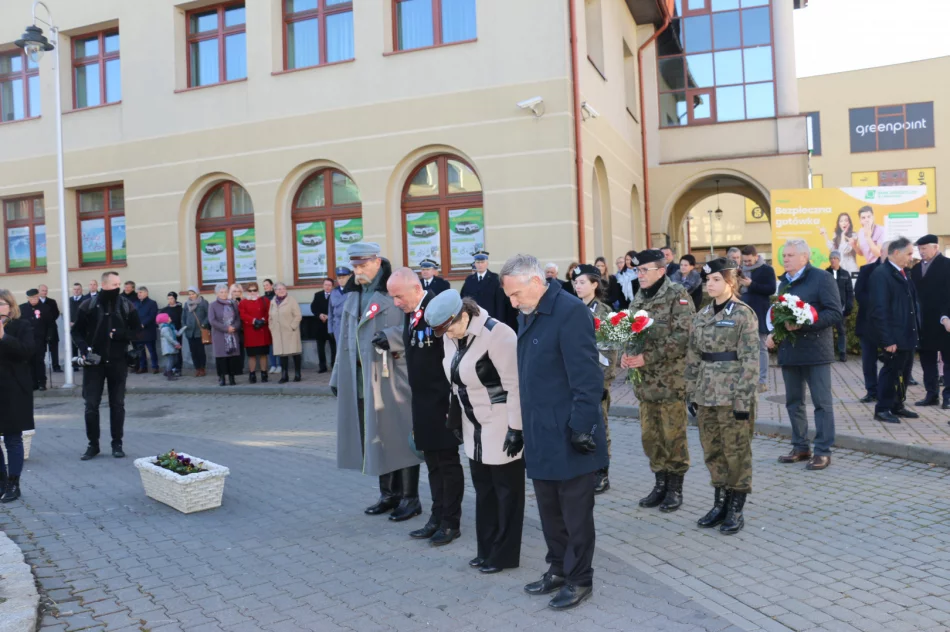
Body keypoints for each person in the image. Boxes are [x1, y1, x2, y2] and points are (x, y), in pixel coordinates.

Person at [500, 254, 605, 610]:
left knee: (575, 515)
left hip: (570, 433)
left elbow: (588, 377)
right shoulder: (529, 311)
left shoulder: (570, 311)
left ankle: (580, 579)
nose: (512, 302)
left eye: (515, 294)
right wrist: (519, 427)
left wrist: (581, 427)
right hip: (539, 431)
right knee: (549, 511)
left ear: (535, 282)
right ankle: (558, 568)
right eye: (509, 296)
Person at [427, 290, 525, 572]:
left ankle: (504, 556)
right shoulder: (450, 335)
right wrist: (455, 418)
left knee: (507, 493)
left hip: (502, 422)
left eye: (450, 328)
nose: (448, 335)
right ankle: (486, 550)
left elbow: (515, 385)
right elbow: (454, 382)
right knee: (484, 491)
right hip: (473, 424)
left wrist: (516, 428)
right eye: (443, 331)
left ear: (463, 315)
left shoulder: (498, 334)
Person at [330, 243, 423, 522]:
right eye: (355, 266)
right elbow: (343, 339)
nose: (357, 271)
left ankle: (410, 498)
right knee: (375, 435)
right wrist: (337, 375)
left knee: (400, 436)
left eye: (363, 265)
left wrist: (392, 338)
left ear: (377, 262)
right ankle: (389, 495)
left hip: (391, 376)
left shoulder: (393, 290)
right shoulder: (352, 296)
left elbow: (415, 324)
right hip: (360, 378)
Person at [376, 269, 464, 546]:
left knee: (447, 463)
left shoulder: (438, 310)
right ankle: (437, 517)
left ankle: (451, 522)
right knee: (433, 464)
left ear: (416, 289)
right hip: (422, 401)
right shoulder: (412, 312)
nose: (396, 303)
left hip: (442, 401)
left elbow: (452, 356)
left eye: (399, 297)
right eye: (393, 297)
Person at [684, 258, 759, 534]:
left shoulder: (743, 314)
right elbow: (693, 355)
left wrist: (743, 399)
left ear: (730, 282)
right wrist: (691, 392)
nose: (710, 284)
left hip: (732, 394)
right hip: (706, 393)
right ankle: (720, 503)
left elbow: (751, 360)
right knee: (713, 450)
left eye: (716, 279)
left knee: (736, 451)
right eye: (707, 280)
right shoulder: (702, 315)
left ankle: (736, 507)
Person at [620, 250, 693, 512]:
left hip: (670, 382)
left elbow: (684, 337)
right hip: (645, 384)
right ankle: (660, 484)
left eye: (644, 270)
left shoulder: (677, 295)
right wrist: (626, 354)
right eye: (637, 271)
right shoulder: (639, 297)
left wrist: (647, 357)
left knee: (673, 436)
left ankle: (675, 488)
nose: (639, 275)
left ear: (661, 271)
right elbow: (630, 331)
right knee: (650, 437)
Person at [767, 239, 842, 470]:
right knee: (793, 402)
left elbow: (834, 313)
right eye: (784, 255)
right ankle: (800, 446)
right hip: (790, 352)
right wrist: (775, 334)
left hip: (815, 351)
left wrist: (805, 324)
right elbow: (781, 316)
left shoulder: (822, 278)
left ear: (804, 257)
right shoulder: (783, 283)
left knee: (821, 403)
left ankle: (822, 451)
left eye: (790, 255)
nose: (785, 259)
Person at [71, 271, 142, 460]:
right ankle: (93, 445)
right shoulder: (88, 305)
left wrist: (121, 334)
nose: (118, 288)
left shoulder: (126, 305)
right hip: (94, 363)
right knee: (91, 405)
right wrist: (84, 349)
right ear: (104, 285)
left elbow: (138, 331)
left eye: (119, 284)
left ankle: (117, 443)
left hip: (118, 362)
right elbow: (76, 331)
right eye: (114, 284)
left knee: (117, 404)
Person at [570, 264, 617, 494]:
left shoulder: (603, 312)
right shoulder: (572, 309)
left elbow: (609, 350)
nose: (577, 286)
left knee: (600, 424)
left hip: (596, 379)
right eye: (575, 282)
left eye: (582, 282)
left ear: (594, 285)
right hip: (575, 378)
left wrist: (604, 381)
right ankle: (585, 469)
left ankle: (602, 472)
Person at [869, 238, 920, 424]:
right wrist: (887, 339)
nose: (911, 257)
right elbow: (879, 309)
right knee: (890, 372)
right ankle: (882, 408)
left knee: (904, 372)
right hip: (894, 336)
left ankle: (897, 405)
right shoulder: (882, 274)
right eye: (909, 253)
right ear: (896, 253)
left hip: (907, 333)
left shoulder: (903, 273)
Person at [0, 288, 35, 502]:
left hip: (13, 389)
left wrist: (4, 337)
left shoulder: (22, 326)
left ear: (11, 306)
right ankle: (1, 482)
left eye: (1, 303)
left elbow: (27, 352)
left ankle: (14, 484)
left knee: (12, 438)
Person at [911, 234, 950, 409]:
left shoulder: (947, 265)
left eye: (924, 248)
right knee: (927, 361)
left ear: (936, 247)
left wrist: (946, 316)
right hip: (924, 323)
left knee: (948, 361)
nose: (921, 252)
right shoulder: (915, 269)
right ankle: (931, 394)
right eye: (919, 249)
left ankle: (948, 396)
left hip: (944, 322)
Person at [854, 242, 889, 404]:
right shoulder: (866, 270)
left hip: (889, 325)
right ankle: (871, 391)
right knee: (869, 360)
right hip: (868, 323)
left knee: (891, 359)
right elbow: (859, 293)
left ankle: (887, 391)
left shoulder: (898, 272)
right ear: (881, 252)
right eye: (888, 251)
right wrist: (877, 306)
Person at [739, 245, 776, 393]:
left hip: (760, 312)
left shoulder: (767, 270)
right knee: (743, 347)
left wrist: (751, 284)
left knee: (761, 347)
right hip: (742, 312)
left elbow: (771, 289)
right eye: (744, 261)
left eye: (749, 260)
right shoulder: (740, 270)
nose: (747, 263)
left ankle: (762, 381)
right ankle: (747, 378)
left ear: (756, 256)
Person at [461, 250, 518, 330]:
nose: (480, 265)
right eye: (478, 262)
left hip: (491, 320)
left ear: (487, 263)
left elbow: (500, 303)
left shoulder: (495, 279)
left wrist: (499, 322)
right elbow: (464, 300)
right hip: (474, 319)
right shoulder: (469, 280)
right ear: (475, 264)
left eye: (482, 262)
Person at [208, 283, 242, 387]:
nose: (224, 294)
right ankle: (222, 378)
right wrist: (226, 328)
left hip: (232, 334)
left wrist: (234, 327)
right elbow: (212, 321)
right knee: (221, 358)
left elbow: (238, 318)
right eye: (221, 292)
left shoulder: (233, 303)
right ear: (217, 293)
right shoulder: (212, 305)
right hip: (219, 335)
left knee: (232, 358)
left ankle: (232, 377)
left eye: (225, 292)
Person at [268, 283, 302, 384]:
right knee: (282, 355)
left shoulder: (291, 300)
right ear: (275, 291)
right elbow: (270, 317)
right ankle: (284, 375)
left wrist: (292, 326)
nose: (281, 290)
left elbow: (298, 315)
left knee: (295, 353)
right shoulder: (273, 302)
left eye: (283, 288)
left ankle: (297, 374)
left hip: (290, 332)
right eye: (279, 289)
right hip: (278, 332)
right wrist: (272, 327)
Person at [239, 282, 272, 383]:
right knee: (252, 355)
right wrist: (253, 320)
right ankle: (252, 374)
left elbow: (269, 312)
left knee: (263, 354)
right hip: (250, 331)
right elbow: (242, 315)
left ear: (258, 290)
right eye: (250, 290)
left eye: (254, 290)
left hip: (262, 330)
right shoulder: (243, 302)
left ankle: (264, 373)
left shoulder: (264, 300)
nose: (252, 292)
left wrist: (263, 320)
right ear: (247, 291)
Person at [826, 251, 854, 362]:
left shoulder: (845, 274)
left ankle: (842, 353)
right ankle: (828, 353)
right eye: (831, 258)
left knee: (841, 331)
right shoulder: (825, 273)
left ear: (839, 260)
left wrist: (849, 305)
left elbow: (849, 291)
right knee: (827, 332)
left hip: (841, 308)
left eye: (835, 258)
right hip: (828, 308)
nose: (833, 260)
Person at [19, 289, 49, 391]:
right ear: (28, 298)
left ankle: (42, 382)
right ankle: (33, 383)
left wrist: (49, 336)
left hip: (40, 339)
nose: (34, 299)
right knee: (29, 361)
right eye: (31, 298)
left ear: (38, 296)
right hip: (27, 340)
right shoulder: (22, 308)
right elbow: (19, 324)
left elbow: (50, 324)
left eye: (36, 297)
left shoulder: (45, 308)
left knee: (39, 361)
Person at [182, 287, 210, 377]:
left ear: (197, 293)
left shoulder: (203, 302)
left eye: (193, 294)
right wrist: (184, 325)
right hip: (190, 332)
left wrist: (204, 323)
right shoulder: (186, 304)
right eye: (189, 294)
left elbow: (209, 314)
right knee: (193, 351)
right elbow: (183, 316)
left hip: (200, 330)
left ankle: (202, 368)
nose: (191, 296)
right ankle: (197, 368)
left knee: (200, 351)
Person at [310, 278, 336, 373]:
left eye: (329, 285)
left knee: (334, 347)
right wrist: (319, 315)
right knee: (320, 348)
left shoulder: (335, 295)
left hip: (332, 325)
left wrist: (329, 316)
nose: (327, 287)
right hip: (320, 325)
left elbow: (338, 308)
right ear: (323, 285)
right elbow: (313, 307)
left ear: (332, 286)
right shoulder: (318, 295)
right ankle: (322, 366)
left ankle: (334, 366)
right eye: (326, 285)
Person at [134, 286, 159, 374]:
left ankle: (155, 367)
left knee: (152, 350)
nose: (139, 294)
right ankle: (143, 367)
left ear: (146, 293)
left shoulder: (152, 303)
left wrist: (143, 324)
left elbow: (152, 315)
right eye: (138, 293)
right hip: (139, 331)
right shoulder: (135, 303)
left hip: (148, 330)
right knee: (140, 351)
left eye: (140, 292)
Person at [38, 284, 62, 372]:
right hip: (40, 329)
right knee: (41, 349)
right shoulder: (36, 302)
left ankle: (56, 366)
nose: (45, 292)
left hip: (51, 328)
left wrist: (49, 320)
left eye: (46, 291)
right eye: (43, 290)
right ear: (39, 291)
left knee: (54, 348)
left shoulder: (52, 302)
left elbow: (56, 313)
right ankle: (41, 367)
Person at [159, 291, 184, 375]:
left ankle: (178, 368)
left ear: (175, 299)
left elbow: (182, 319)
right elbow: (159, 320)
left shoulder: (180, 309)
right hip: (168, 333)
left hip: (177, 332)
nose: (170, 300)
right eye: (168, 298)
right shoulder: (164, 310)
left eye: (172, 298)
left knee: (178, 352)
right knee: (170, 353)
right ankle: (170, 369)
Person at [157, 313, 183, 381]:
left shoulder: (171, 326)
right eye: (168, 317)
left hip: (172, 347)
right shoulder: (165, 328)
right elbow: (169, 338)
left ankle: (167, 371)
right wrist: (177, 344)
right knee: (170, 361)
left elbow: (177, 334)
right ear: (164, 320)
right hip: (168, 348)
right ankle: (169, 375)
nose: (170, 318)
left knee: (175, 360)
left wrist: (184, 327)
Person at [328, 267, 350, 347]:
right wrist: (330, 329)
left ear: (349, 277)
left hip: (350, 324)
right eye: (339, 278)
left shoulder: (353, 291)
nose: (341, 280)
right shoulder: (334, 292)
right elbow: (330, 312)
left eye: (343, 277)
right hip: (337, 325)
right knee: (340, 349)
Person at [263, 278, 279, 373]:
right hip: (266, 324)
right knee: (270, 345)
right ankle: (273, 365)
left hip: (276, 323)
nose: (265, 287)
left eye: (267, 285)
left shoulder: (276, 296)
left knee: (278, 344)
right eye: (264, 286)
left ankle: (280, 365)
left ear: (272, 285)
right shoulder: (262, 298)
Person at [229, 283, 245, 374]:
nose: (237, 293)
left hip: (242, 329)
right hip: (232, 328)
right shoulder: (228, 302)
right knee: (232, 348)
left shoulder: (244, 301)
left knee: (241, 348)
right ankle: (233, 368)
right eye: (234, 291)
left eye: (239, 291)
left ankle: (240, 368)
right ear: (231, 292)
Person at [68, 283, 85, 360]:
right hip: (72, 327)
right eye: (75, 289)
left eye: (78, 289)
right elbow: (66, 313)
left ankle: (84, 362)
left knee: (83, 346)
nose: (76, 291)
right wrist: (68, 322)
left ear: (81, 290)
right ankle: (75, 363)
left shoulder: (85, 300)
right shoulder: (69, 300)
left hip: (83, 327)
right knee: (73, 346)